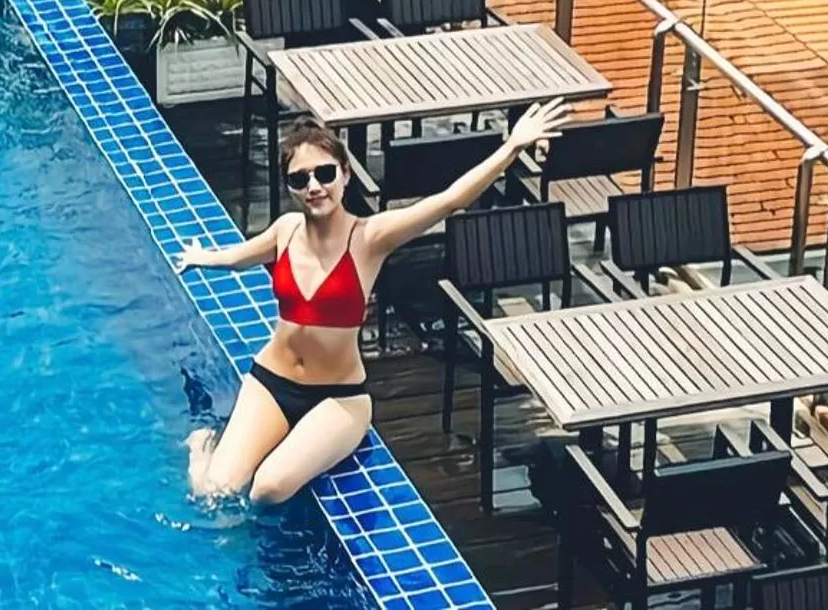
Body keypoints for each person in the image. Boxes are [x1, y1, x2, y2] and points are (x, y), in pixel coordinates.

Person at [177, 100, 571, 505]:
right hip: (271, 383)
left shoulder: (370, 238)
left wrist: (512, 147)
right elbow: (245, 256)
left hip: (338, 397)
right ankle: (200, 447)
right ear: (291, 187)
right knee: (213, 491)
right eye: (300, 179)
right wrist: (205, 257)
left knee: (268, 489)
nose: (314, 186)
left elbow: (450, 200)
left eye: (325, 173)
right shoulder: (287, 230)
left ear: (345, 175)